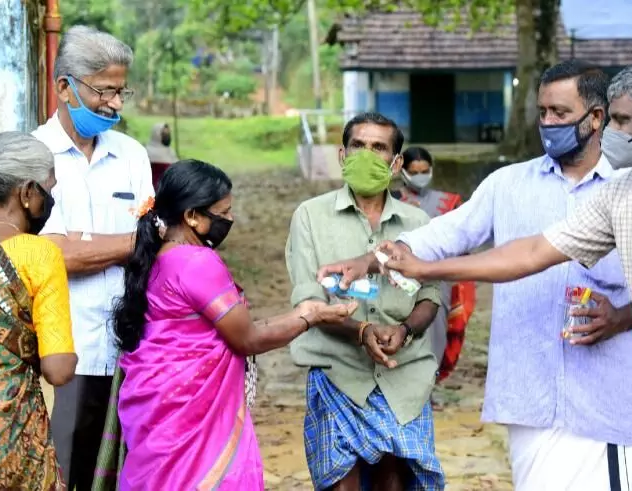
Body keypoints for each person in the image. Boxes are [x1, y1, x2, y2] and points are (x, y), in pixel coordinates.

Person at [374, 62, 632, 491]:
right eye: (543, 113)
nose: (611, 129)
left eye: (622, 120)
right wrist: (417, 265)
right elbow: (533, 252)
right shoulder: (628, 192)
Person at [317, 61, 632, 490]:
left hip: (607, 398)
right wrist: (369, 261)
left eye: (560, 113)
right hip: (529, 393)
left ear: (596, 118)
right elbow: (440, 235)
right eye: (542, 113)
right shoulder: (508, 185)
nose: (548, 123)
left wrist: (623, 318)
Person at [87, 160, 353, 490]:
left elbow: (232, 326)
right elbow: (248, 339)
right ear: (192, 216)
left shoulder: (160, 256)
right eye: (223, 212)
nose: (230, 220)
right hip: (192, 418)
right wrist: (311, 317)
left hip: (161, 411)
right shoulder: (198, 263)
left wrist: (303, 313)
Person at [285, 112, 445, 490]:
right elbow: (308, 298)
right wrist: (362, 330)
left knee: (395, 480)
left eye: (378, 147)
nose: (366, 154)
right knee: (343, 484)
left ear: (395, 163)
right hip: (336, 372)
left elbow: (430, 295)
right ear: (342, 154)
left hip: (404, 374)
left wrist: (405, 329)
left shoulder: (418, 222)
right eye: (358, 145)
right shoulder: (309, 217)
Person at [31, 25, 154, 490]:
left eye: (122, 91)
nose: (116, 104)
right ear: (64, 87)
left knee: (117, 476)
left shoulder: (132, 156)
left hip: (127, 353)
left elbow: (152, 243)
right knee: (59, 472)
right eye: (105, 90)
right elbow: (50, 255)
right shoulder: (32, 155)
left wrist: (87, 243)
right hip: (61, 355)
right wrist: (132, 243)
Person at [0, 132, 77, 489]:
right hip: (12, 446)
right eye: (49, 189)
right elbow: (58, 370)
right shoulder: (41, 255)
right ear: (28, 192)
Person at [391, 146, 476, 383]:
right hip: (399, 278)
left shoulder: (449, 202)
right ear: (402, 171)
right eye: (414, 171)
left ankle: (429, 385)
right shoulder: (392, 201)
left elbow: (464, 239)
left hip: (439, 279)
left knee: (438, 330)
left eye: (424, 171)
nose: (420, 175)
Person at [145, 122, 178, 189]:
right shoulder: (146, 151)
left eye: (168, 134)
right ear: (157, 134)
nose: (167, 136)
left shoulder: (170, 152)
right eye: (164, 134)